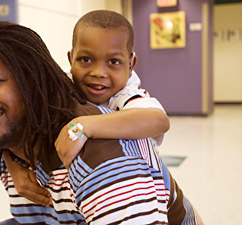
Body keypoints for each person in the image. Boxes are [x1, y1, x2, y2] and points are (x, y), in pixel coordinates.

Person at [0, 20, 202, 224]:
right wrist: (11, 162)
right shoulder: (14, 131)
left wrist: (84, 126)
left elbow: (158, 120)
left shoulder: (101, 149)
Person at [10, 10, 171, 207]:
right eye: (85, 60)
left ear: (131, 65)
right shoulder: (63, 88)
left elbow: (159, 121)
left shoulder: (126, 95)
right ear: (70, 59)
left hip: (141, 196)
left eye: (114, 62)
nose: (98, 72)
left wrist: (82, 127)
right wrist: (14, 168)